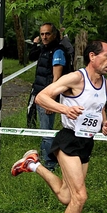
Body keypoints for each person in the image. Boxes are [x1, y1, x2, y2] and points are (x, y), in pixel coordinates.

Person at [11, 41, 107, 213]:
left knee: (67, 197)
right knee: (80, 196)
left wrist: (104, 123)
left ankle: (32, 164)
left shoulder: (106, 83)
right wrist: (63, 109)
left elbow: (98, 106)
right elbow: (42, 97)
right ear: (92, 56)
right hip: (68, 139)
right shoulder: (76, 78)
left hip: (86, 142)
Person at [27, 23, 66, 171]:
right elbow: (31, 56)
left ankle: (50, 165)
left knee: (47, 132)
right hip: (39, 95)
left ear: (54, 35)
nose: (44, 37)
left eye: (47, 34)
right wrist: (35, 43)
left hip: (47, 98)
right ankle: (44, 161)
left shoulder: (57, 52)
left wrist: (51, 101)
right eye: (42, 34)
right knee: (44, 131)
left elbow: (57, 78)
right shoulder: (44, 49)